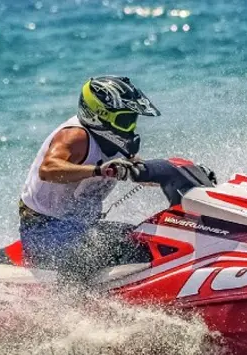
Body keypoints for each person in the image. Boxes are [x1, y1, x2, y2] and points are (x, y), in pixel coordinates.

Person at [18, 76, 160, 279]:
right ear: (100, 115)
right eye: (125, 119)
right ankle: (74, 305)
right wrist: (98, 170)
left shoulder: (114, 139)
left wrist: (179, 172)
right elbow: (48, 169)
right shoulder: (76, 136)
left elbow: (141, 171)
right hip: (44, 230)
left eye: (132, 119)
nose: (130, 126)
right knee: (101, 248)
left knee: (144, 239)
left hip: (83, 228)